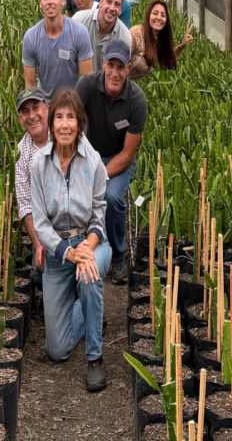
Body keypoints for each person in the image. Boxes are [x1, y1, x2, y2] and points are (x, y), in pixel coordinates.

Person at [29, 89, 111, 391]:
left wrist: (87, 247)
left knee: (89, 276)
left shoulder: (93, 162)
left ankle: (95, 358)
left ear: (80, 124)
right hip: (58, 253)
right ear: (51, 125)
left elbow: (99, 213)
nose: (65, 124)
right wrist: (68, 252)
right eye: (59, 118)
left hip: (91, 244)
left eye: (71, 118)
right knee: (57, 350)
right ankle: (91, 312)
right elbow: (40, 223)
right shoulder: (38, 164)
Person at [76, 39, 147, 285]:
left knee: (111, 197)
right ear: (104, 65)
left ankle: (118, 255)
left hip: (118, 160)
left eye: (121, 67)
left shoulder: (136, 100)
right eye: (111, 65)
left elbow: (128, 153)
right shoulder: (87, 85)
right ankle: (76, 248)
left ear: (128, 69)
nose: (115, 73)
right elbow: (72, 122)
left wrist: (100, 176)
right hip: (89, 154)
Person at [22, 0, 93, 95]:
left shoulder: (80, 33)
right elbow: (30, 86)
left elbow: (86, 83)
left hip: (73, 102)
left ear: (62, 1)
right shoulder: (30, 37)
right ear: (40, 3)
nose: (49, 1)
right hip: (44, 103)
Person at [13, 87, 51, 267]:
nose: (32, 116)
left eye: (36, 108)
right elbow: (25, 203)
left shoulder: (65, 135)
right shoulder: (21, 152)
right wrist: (37, 245)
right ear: (20, 119)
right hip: (44, 228)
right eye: (25, 111)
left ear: (47, 108)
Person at [74, 0, 132, 72]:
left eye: (117, 4)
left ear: (121, 10)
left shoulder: (125, 37)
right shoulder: (78, 21)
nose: (112, 8)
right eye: (108, 2)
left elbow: (121, 72)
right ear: (100, 2)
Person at [129, 0, 192, 80]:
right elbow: (117, 58)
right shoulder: (136, 34)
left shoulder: (159, 39)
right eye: (155, 13)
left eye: (163, 15)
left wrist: (182, 45)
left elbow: (167, 61)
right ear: (148, 15)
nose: (159, 17)